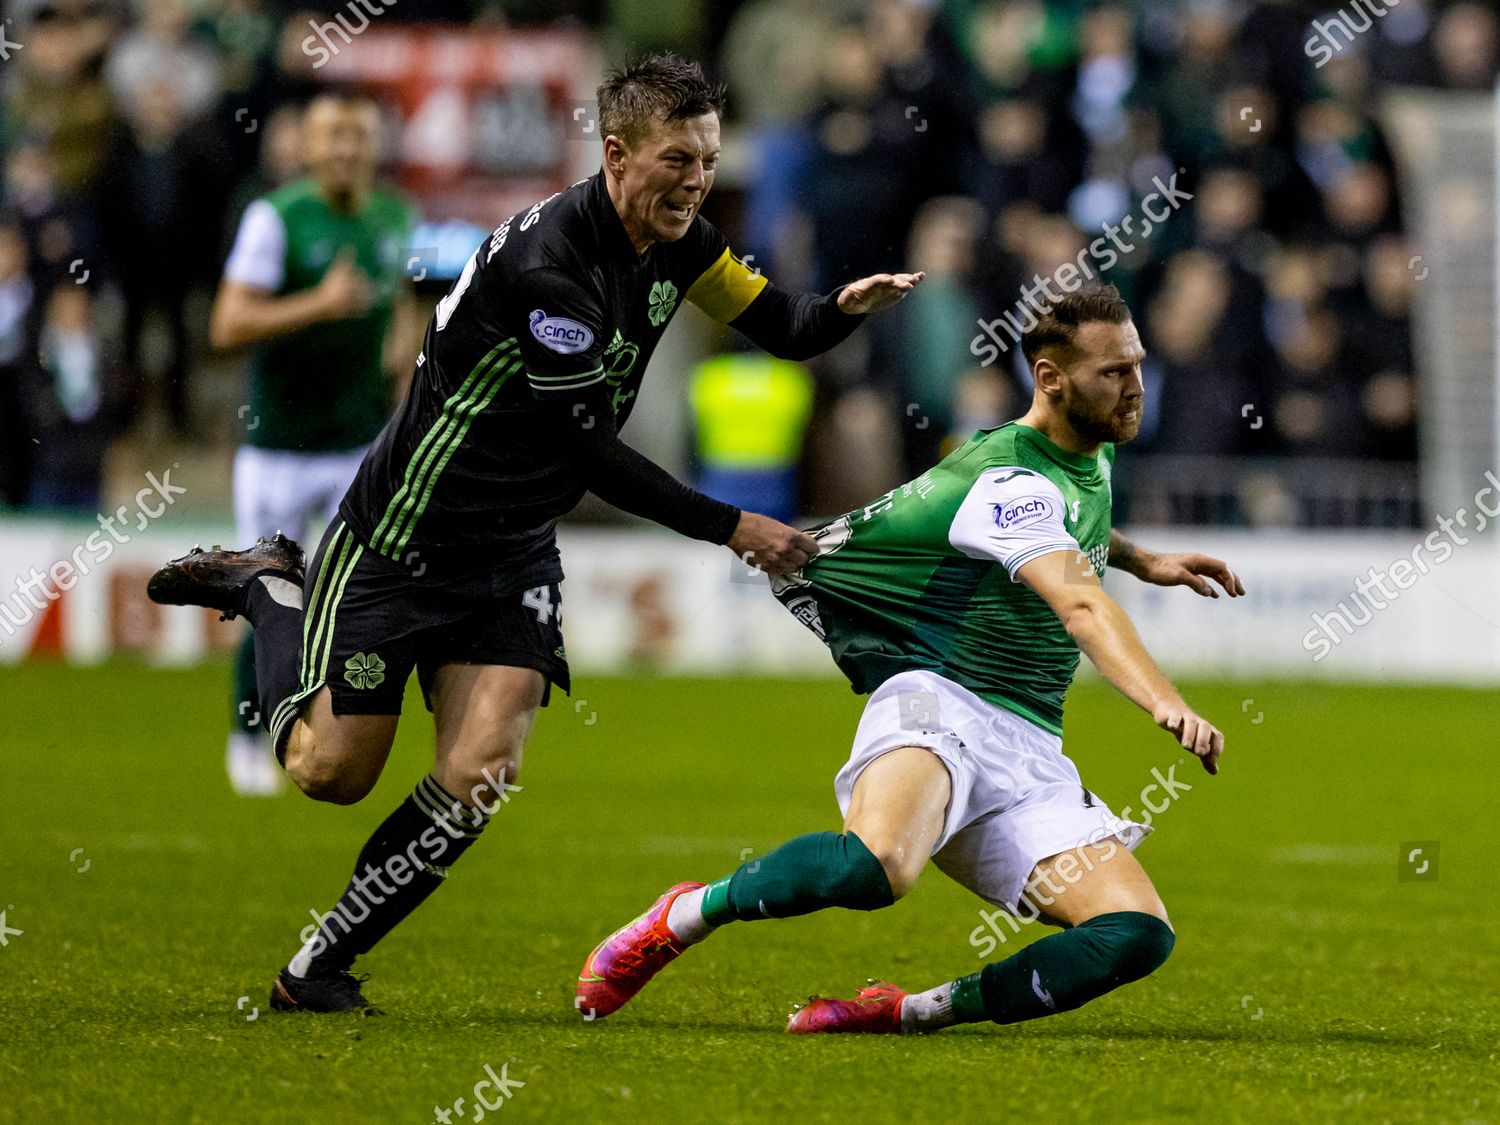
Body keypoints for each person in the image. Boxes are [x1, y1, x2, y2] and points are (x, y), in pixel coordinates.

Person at [146, 54, 922, 1014]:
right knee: (328, 772)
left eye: (710, 160)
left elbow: (784, 323)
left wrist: (841, 311)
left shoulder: (682, 241)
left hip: (509, 552)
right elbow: (586, 450)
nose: (697, 181)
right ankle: (271, 588)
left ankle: (319, 968)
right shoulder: (551, 266)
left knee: (479, 776)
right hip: (403, 534)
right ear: (616, 154)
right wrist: (733, 527)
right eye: (678, 159)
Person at [577, 284, 1246, 1035]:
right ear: (1051, 379)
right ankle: (685, 914)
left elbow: (1077, 526)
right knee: (876, 869)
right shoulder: (1009, 481)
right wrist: (1164, 700)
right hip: (940, 700)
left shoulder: (1088, 446)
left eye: (1137, 366)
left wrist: (1142, 558)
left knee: (1136, 934)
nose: (1135, 388)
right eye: (1113, 373)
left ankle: (908, 1009)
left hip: (1029, 744)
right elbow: (1080, 603)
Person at [208, 94, 418, 796]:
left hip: (358, 445)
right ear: (309, 144)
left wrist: (404, 368)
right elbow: (228, 323)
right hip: (279, 446)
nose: (346, 148)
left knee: (349, 598)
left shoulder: (396, 216)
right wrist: (318, 305)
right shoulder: (277, 217)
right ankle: (247, 729)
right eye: (333, 135)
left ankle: (323, 729)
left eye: (358, 135)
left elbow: (400, 306)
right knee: (266, 588)